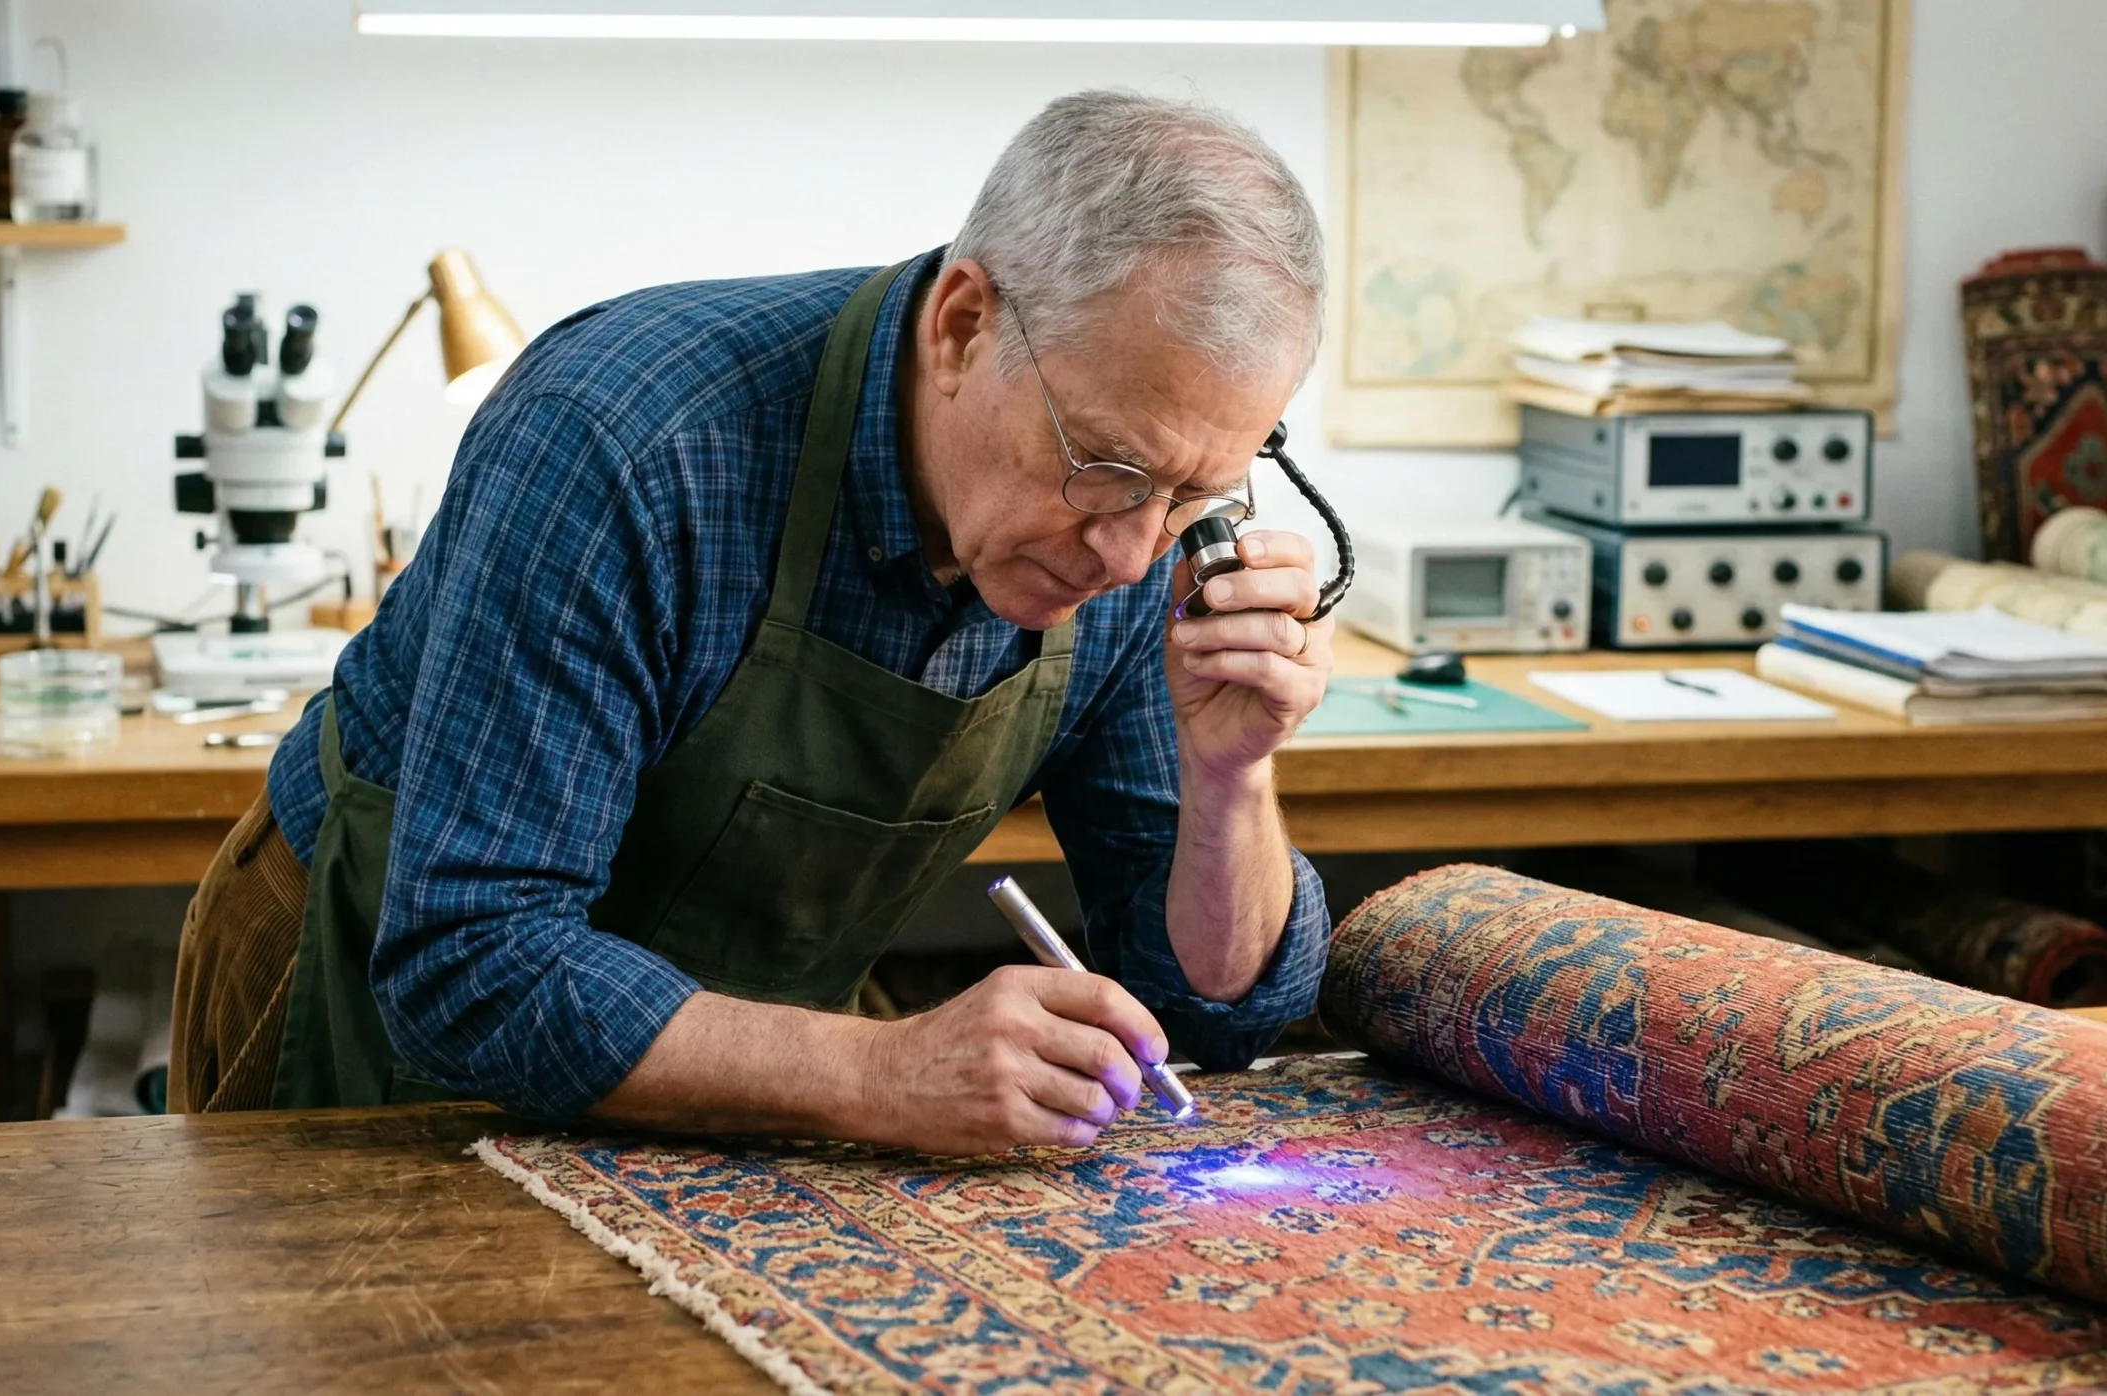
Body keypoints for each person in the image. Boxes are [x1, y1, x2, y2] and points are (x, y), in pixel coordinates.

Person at [171, 89, 1337, 1155]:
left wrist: (1231, 776)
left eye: (1191, 494)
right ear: (963, 324)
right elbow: (470, 962)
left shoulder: (1131, 532)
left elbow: (1206, 1014)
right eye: (1102, 468)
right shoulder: (622, 438)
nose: (1131, 551)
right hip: (371, 1003)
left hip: (738, 1063)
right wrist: (882, 1070)